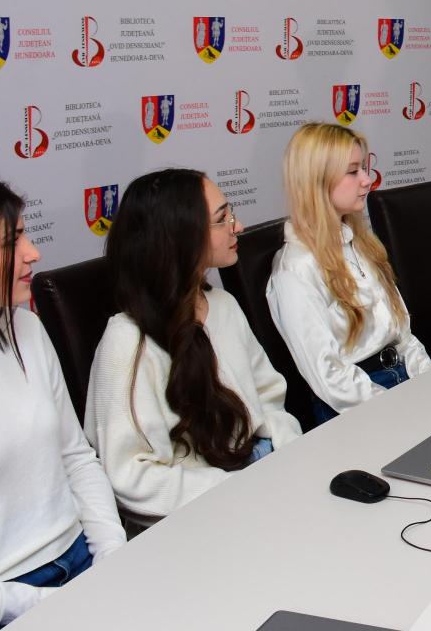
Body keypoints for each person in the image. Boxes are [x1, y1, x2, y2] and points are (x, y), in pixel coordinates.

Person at [0, 169, 126, 629]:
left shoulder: (26, 328)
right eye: (11, 242)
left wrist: (114, 557)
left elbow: (76, 457)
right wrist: (41, 604)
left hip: (82, 562)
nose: (33, 253)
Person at [85, 170, 301, 528]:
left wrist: (289, 457)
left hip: (261, 471)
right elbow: (131, 476)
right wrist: (239, 488)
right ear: (180, 238)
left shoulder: (224, 305)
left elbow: (268, 397)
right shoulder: (128, 341)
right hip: (203, 507)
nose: (238, 226)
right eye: (222, 219)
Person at [268, 123, 431, 423]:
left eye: (363, 168)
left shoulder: (361, 243)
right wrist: (400, 408)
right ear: (317, 181)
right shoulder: (295, 269)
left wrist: (430, 382)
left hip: (402, 378)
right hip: (356, 405)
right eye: (353, 171)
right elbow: (328, 376)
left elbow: (402, 335)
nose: (367, 179)